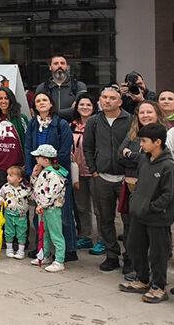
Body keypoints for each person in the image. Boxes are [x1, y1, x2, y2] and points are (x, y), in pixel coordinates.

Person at [119, 123, 174, 303]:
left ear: (157, 142)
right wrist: (136, 201)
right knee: (135, 246)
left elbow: (170, 194)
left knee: (158, 253)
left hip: (158, 217)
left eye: (144, 141)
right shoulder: (144, 159)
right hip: (139, 213)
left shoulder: (168, 165)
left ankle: (159, 286)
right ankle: (142, 280)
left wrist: (152, 207)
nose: (141, 144)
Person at [83, 85, 133, 272]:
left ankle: (130, 257)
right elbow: (87, 147)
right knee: (105, 219)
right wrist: (93, 170)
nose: (107, 100)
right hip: (101, 177)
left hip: (125, 179)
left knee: (128, 220)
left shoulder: (130, 120)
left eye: (112, 98)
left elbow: (135, 146)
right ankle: (112, 255)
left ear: (119, 101)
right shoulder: (94, 121)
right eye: (104, 97)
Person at [24, 91, 77, 262]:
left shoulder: (61, 124)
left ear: (51, 103)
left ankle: (68, 250)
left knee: (63, 212)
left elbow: (64, 150)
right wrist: (31, 169)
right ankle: (42, 249)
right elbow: (27, 148)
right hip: (38, 174)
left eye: (44, 100)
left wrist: (47, 165)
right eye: (38, 101)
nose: (41, 103)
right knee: (39, 212)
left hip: (56, 174)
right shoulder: (32, 124)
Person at [69, 94, 101, 254]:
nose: (85, 107)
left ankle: (103, 240)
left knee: (99, 208)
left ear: (94, 107)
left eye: (88, 104)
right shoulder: (71, 125)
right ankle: (86, 236)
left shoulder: (98, 124)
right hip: (77, 171)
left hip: (95, 172)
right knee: (82, 207)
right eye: (82, 104)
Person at [29, 144, 68, 272]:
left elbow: (52, 194)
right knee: (43, 233)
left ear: (46, 160)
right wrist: (34, 176)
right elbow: (37, 188)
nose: (36, 158)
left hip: (51, 209)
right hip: (42, 208)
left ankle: (59, 260)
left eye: (38, 157)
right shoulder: (44, 172)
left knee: (56, 234)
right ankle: (44, 255)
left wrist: (42, 205)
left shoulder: (55, 175)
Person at [0, 87, 28, 192]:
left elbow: (28, 141)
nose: (3, 101)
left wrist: (27, 163)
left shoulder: (21, 118)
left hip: (17, 168)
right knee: (1, 201)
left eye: (6, 98)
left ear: (11, 100)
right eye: (0, 98)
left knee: (19, 202)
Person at [34, 54, 88, 120]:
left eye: (62, 63)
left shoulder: (79, 86)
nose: (59, 66)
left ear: (67, 66)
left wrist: (50, 112)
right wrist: (68, 110)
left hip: (72, 127)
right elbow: (37, 110)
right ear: (50, 67)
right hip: (49, 126)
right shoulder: (42, 88)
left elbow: (77, 110)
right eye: (56, 63)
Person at [0, 165, 30, 259]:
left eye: (11, 175)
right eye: (8, 175)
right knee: (8, 232)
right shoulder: (5, 187)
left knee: (22, 232)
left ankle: (20, 251)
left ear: (19, 179)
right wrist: (0, 200)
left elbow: (32, 196)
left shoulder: (25, 188)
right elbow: (0, 195)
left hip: (21, 215)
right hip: (9, 214)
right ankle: (9, 249)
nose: (8, 177)